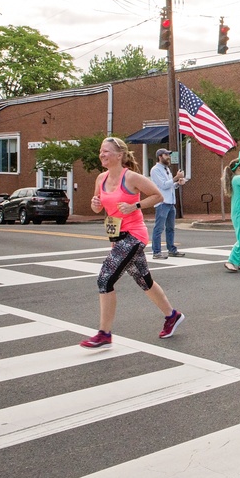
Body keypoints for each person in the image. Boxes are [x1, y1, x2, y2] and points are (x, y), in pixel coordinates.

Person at [80, 137, 184, 348]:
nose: (102, 155)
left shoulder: (131, 178)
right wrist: (95, 204)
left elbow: (157, 196)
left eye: (106, 151)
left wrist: (135, 205)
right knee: (144, 281)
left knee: (105, 279)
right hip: (116, 238)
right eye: (101, 151)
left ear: (119, 155)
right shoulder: (101, 179)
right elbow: (97, 208)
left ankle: (104, 333)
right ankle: (172, 315)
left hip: (134, 236)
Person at [150, 148, 186, 259]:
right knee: (159, 228)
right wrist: (176, 178)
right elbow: (164, 185)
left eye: (168, 155)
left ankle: (172, 250)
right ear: (160, 157)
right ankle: (156, 252)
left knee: (171, 228)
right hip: (162, 202)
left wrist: (178, 183)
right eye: (166, 155)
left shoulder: (167, 169)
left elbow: (170, 186)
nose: (168, 157)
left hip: (170, 202)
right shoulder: (155, 170)